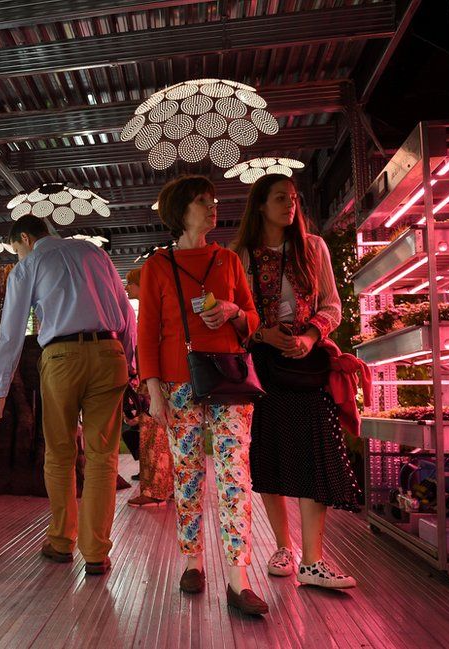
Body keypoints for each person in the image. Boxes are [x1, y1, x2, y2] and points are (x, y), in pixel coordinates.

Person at [138, 175, 268, 615]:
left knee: (235, 475)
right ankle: (192, 562)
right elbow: (147, 333)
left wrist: (233, 313)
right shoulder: (158, 265)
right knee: (188, 474)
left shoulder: (228, 260)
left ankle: (238, 577)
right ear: (180, 210)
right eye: (201, 201)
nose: (212, 207)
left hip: (229, 379)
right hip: (177, 383)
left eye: (212, 201)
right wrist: (152, 388)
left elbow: (252, 317)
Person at [0, 215, 136, 576]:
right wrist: (129, 366)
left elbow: (10, 331)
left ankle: (61, 541)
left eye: (16, 250)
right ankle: (97, 553)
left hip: (62, 358)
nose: (18, 256)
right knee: (103, 458)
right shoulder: (94, 253)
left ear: (24, 238)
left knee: (60, 453)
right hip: (109, 354)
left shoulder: (31, 264)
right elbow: (127, 313)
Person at [233, 173, 361, 589]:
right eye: (279, 198)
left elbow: (331, 305)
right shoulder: (243, 256)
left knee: (314, 453)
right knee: (270, 454)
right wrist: (261, 333)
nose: (289, 205)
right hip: (263, 365)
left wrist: (309, 337)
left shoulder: (313, 248)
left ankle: (312, 559)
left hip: (305, 362)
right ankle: (283, 548)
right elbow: (237, 315)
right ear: (260, 205)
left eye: (293, 199)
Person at [124, 267, 174, 508]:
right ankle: (168, 487)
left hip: (155, 381)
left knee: (152, 438)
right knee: (163, 437)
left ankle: (154, 490)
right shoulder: (157, 308)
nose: (127, 288)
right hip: (160, 379)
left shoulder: (150, 310)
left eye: (130, 284)